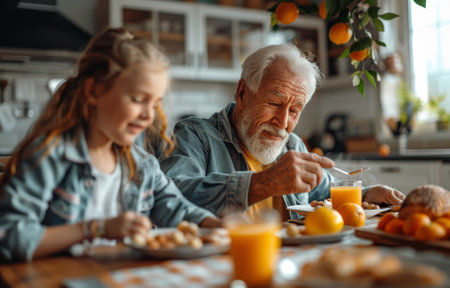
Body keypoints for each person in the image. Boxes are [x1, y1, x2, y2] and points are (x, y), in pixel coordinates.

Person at [0, 28, 220, 262]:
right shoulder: (49, 156)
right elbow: (10, 236)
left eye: (155, 103)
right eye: (138, 99)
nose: (149, 115)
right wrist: (97, 228)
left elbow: (178, 208)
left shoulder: (143, 165)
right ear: (94, 91)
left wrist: (219, 225)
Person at [158, 43, 405, 219]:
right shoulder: (196, 136)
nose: (283, 121)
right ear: (242, 93)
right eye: (275, 103)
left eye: (295, 111)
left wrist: (367, 194)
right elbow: (168, 199)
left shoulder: (292, 144)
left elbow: (325, 192)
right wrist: (262, 184)